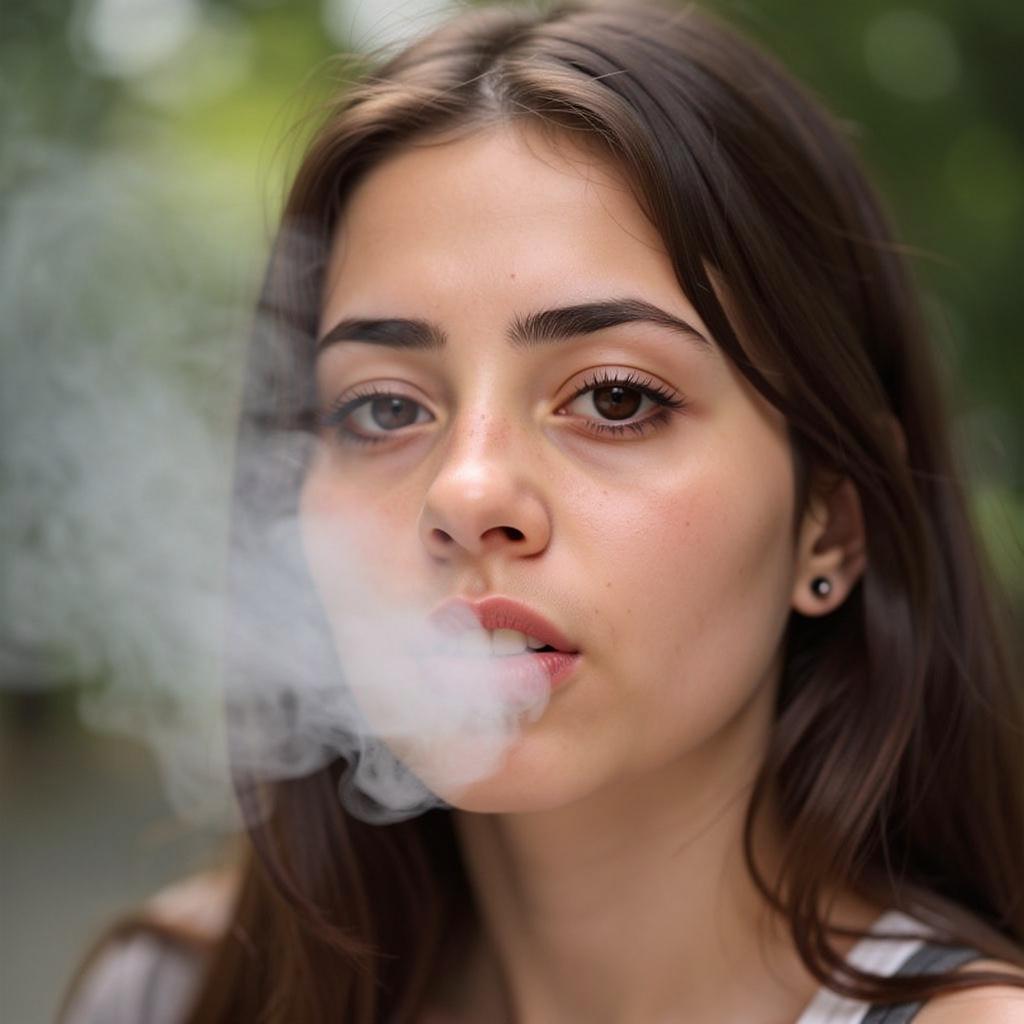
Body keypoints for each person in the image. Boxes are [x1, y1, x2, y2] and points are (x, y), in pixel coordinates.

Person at [60, 1, 1024, 1021]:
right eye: (384, 407)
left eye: (615, 398)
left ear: (832, 519)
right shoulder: (177, 997)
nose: (466, 492)